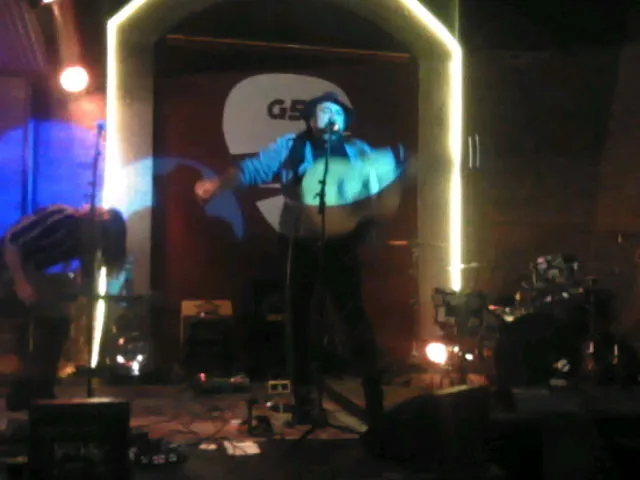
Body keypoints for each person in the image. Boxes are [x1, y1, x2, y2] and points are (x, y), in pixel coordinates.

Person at [195, 92, 388, 429]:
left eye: (337, 112)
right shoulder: (290, 145)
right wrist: (218, 184)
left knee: (353, 317)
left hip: (341, 245)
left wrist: (367, 224)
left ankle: (375, 401)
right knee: (299, 321)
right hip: (299, 242)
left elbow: (375, 193)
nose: (331, 116)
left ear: (344, 120)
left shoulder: (358, 151)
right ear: (310, 119)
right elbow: (253, 170)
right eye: (323, 111)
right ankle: (306, 401)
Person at [0, 204, 127, 411]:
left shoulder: (83, 241)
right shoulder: (60, 218)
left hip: (33, 270)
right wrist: (20, 282)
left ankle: (40, 389)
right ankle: (26, 388)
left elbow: (83, 274)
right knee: (39, 324)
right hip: (9, 265)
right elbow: (12, 243)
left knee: (57, 323)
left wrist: (79, 287)